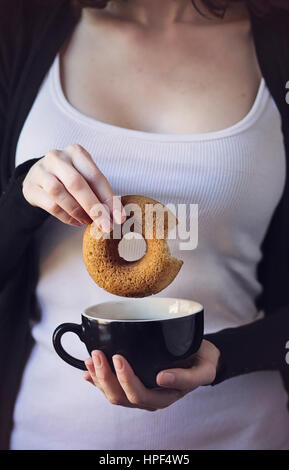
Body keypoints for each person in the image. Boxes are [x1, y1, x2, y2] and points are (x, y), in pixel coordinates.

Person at [0, 0, 289, 450]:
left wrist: (230, 355)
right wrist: (21, 197)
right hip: (56, 433)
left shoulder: (278, 39)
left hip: (245, 431)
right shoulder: (19, 28)